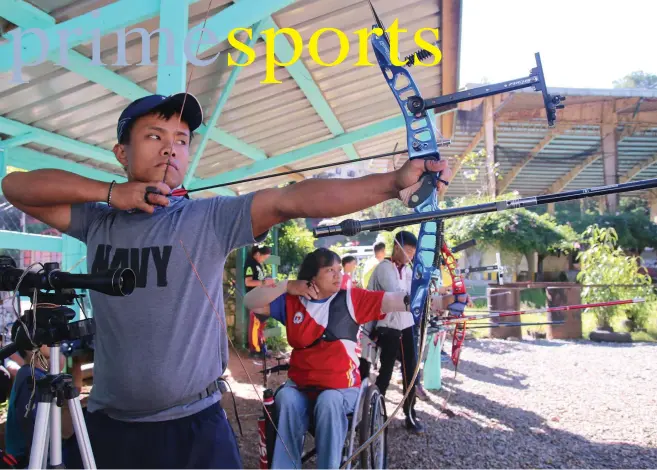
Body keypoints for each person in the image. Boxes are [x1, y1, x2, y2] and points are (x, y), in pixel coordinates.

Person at [0, 91, 452, 468]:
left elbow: (290, 200)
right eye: (154, 136)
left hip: (195, 424)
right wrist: (112, 194)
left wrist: (393, 183)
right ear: (122, 153)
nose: (169, 148)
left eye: (181, 139)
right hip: (111, 423)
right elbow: (15, 187)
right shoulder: (98, 220)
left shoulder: (208, 216)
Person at [243, 248, 458, 469]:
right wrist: (287, 285)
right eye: (330, 270)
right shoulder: (293, 301)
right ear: (312, 277)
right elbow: (250, 301)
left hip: (341, 389)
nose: (338, 275)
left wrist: (443, 301)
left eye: (338, 269)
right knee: (286, 398)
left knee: (329, 401)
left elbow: (397, 300)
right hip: (301, 387)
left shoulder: (351, 299)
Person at [367, 231, 425, 432]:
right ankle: (377, 417)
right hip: (388, 327)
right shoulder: (385, 267)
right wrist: (417, 294)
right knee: (386, 372)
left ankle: (410, 414)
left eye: (413, 252)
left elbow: (416, 295)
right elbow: (399, 294)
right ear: (398, 247)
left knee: (411, 371)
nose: (411, 255)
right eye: (408, 250)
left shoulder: (409, 270)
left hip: (407, 325)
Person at [5, 326, 81, 468]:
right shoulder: (32, 380)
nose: (56, 344)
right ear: (31, 346)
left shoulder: (30, 374)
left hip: (38, 455)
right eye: (48, 338)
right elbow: (59, 431)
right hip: (30, 460)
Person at [245, 246, 275, 358]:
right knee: (255, 324)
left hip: (261, 298)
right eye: (264, 257)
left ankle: (261, 347)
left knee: (261, 325)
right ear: (257, 254)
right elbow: (248, 282)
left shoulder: (258, 264)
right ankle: (254, 350)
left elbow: (261, 281)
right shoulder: (250, 263)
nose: (264, 260)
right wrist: (264, 283)